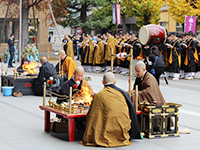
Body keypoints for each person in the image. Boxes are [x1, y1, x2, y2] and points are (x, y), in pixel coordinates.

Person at [80, 72, 140, 147]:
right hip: (122, 130)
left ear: (102, 82)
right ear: (115, 82)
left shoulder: (99, 95)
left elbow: (92, 115)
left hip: (106, 130)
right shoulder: (122, 94)